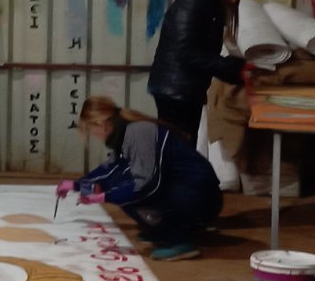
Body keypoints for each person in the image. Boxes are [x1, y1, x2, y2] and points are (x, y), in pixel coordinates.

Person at [60, 97, 223, 261]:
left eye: (90, 130)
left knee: (130, 195)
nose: (93, 135)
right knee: (122, 188)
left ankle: (176, 240)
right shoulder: (125, 132)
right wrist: (77, 185)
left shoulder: (137, 133)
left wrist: (105, 196)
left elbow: (146, 185)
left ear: (100, 124)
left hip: (200, 197)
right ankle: (162, 230)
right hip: (193, 192)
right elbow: (112, 170)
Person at [148, 0, 259, 141]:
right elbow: (186, 52)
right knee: (177, 151)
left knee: (181, 150)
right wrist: (232, 68)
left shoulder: (209, 0)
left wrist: (233, 67)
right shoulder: (196, 1)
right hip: (176, 93)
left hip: (183, 89)